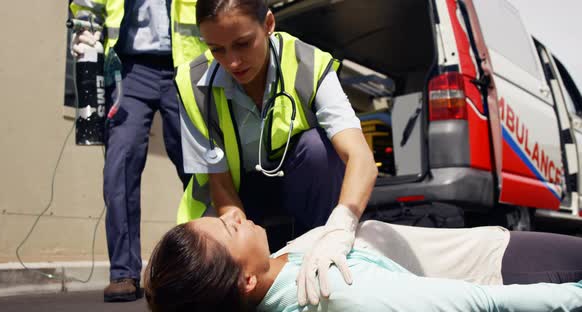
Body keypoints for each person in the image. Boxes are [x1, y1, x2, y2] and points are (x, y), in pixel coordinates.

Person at [175, 0, 377, 305]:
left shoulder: (310, 64)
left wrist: (341, 227)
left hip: (300, 188)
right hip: (238, 197)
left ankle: (324, 264)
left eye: (242, 44)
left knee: (317, 150)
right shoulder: (192, 84)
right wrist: (237, 246)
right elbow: (219, 183)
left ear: (269, 24)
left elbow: (360, 157)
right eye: (217, 49)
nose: (232, 63)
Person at [143, 209, 582, 312]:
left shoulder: (276, 272)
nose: (233, 213)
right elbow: (481, 302)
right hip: (497, 270)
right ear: (244, 282)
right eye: (230, 229)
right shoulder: (334, 292)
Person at [69, 0, 208, 302]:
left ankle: (206, 264)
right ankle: (124, 272)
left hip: (185, 66)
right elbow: (87, 5)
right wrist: (85, 37)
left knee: (197, 166)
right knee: (119, 164)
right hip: (129, 69)